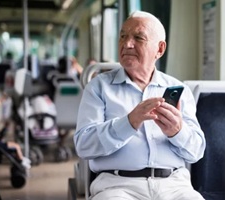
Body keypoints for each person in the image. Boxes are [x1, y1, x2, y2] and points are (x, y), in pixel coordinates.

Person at [74, 11, 206, 200]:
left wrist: (177, 131)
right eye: (123, 36)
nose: (127, 44)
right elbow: (84, 145)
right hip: (118, 187)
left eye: (138, 37)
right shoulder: (98, 87)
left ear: (159, 49)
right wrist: (128, 123)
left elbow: (196, 152)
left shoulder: (178, 89)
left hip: (174, 187)